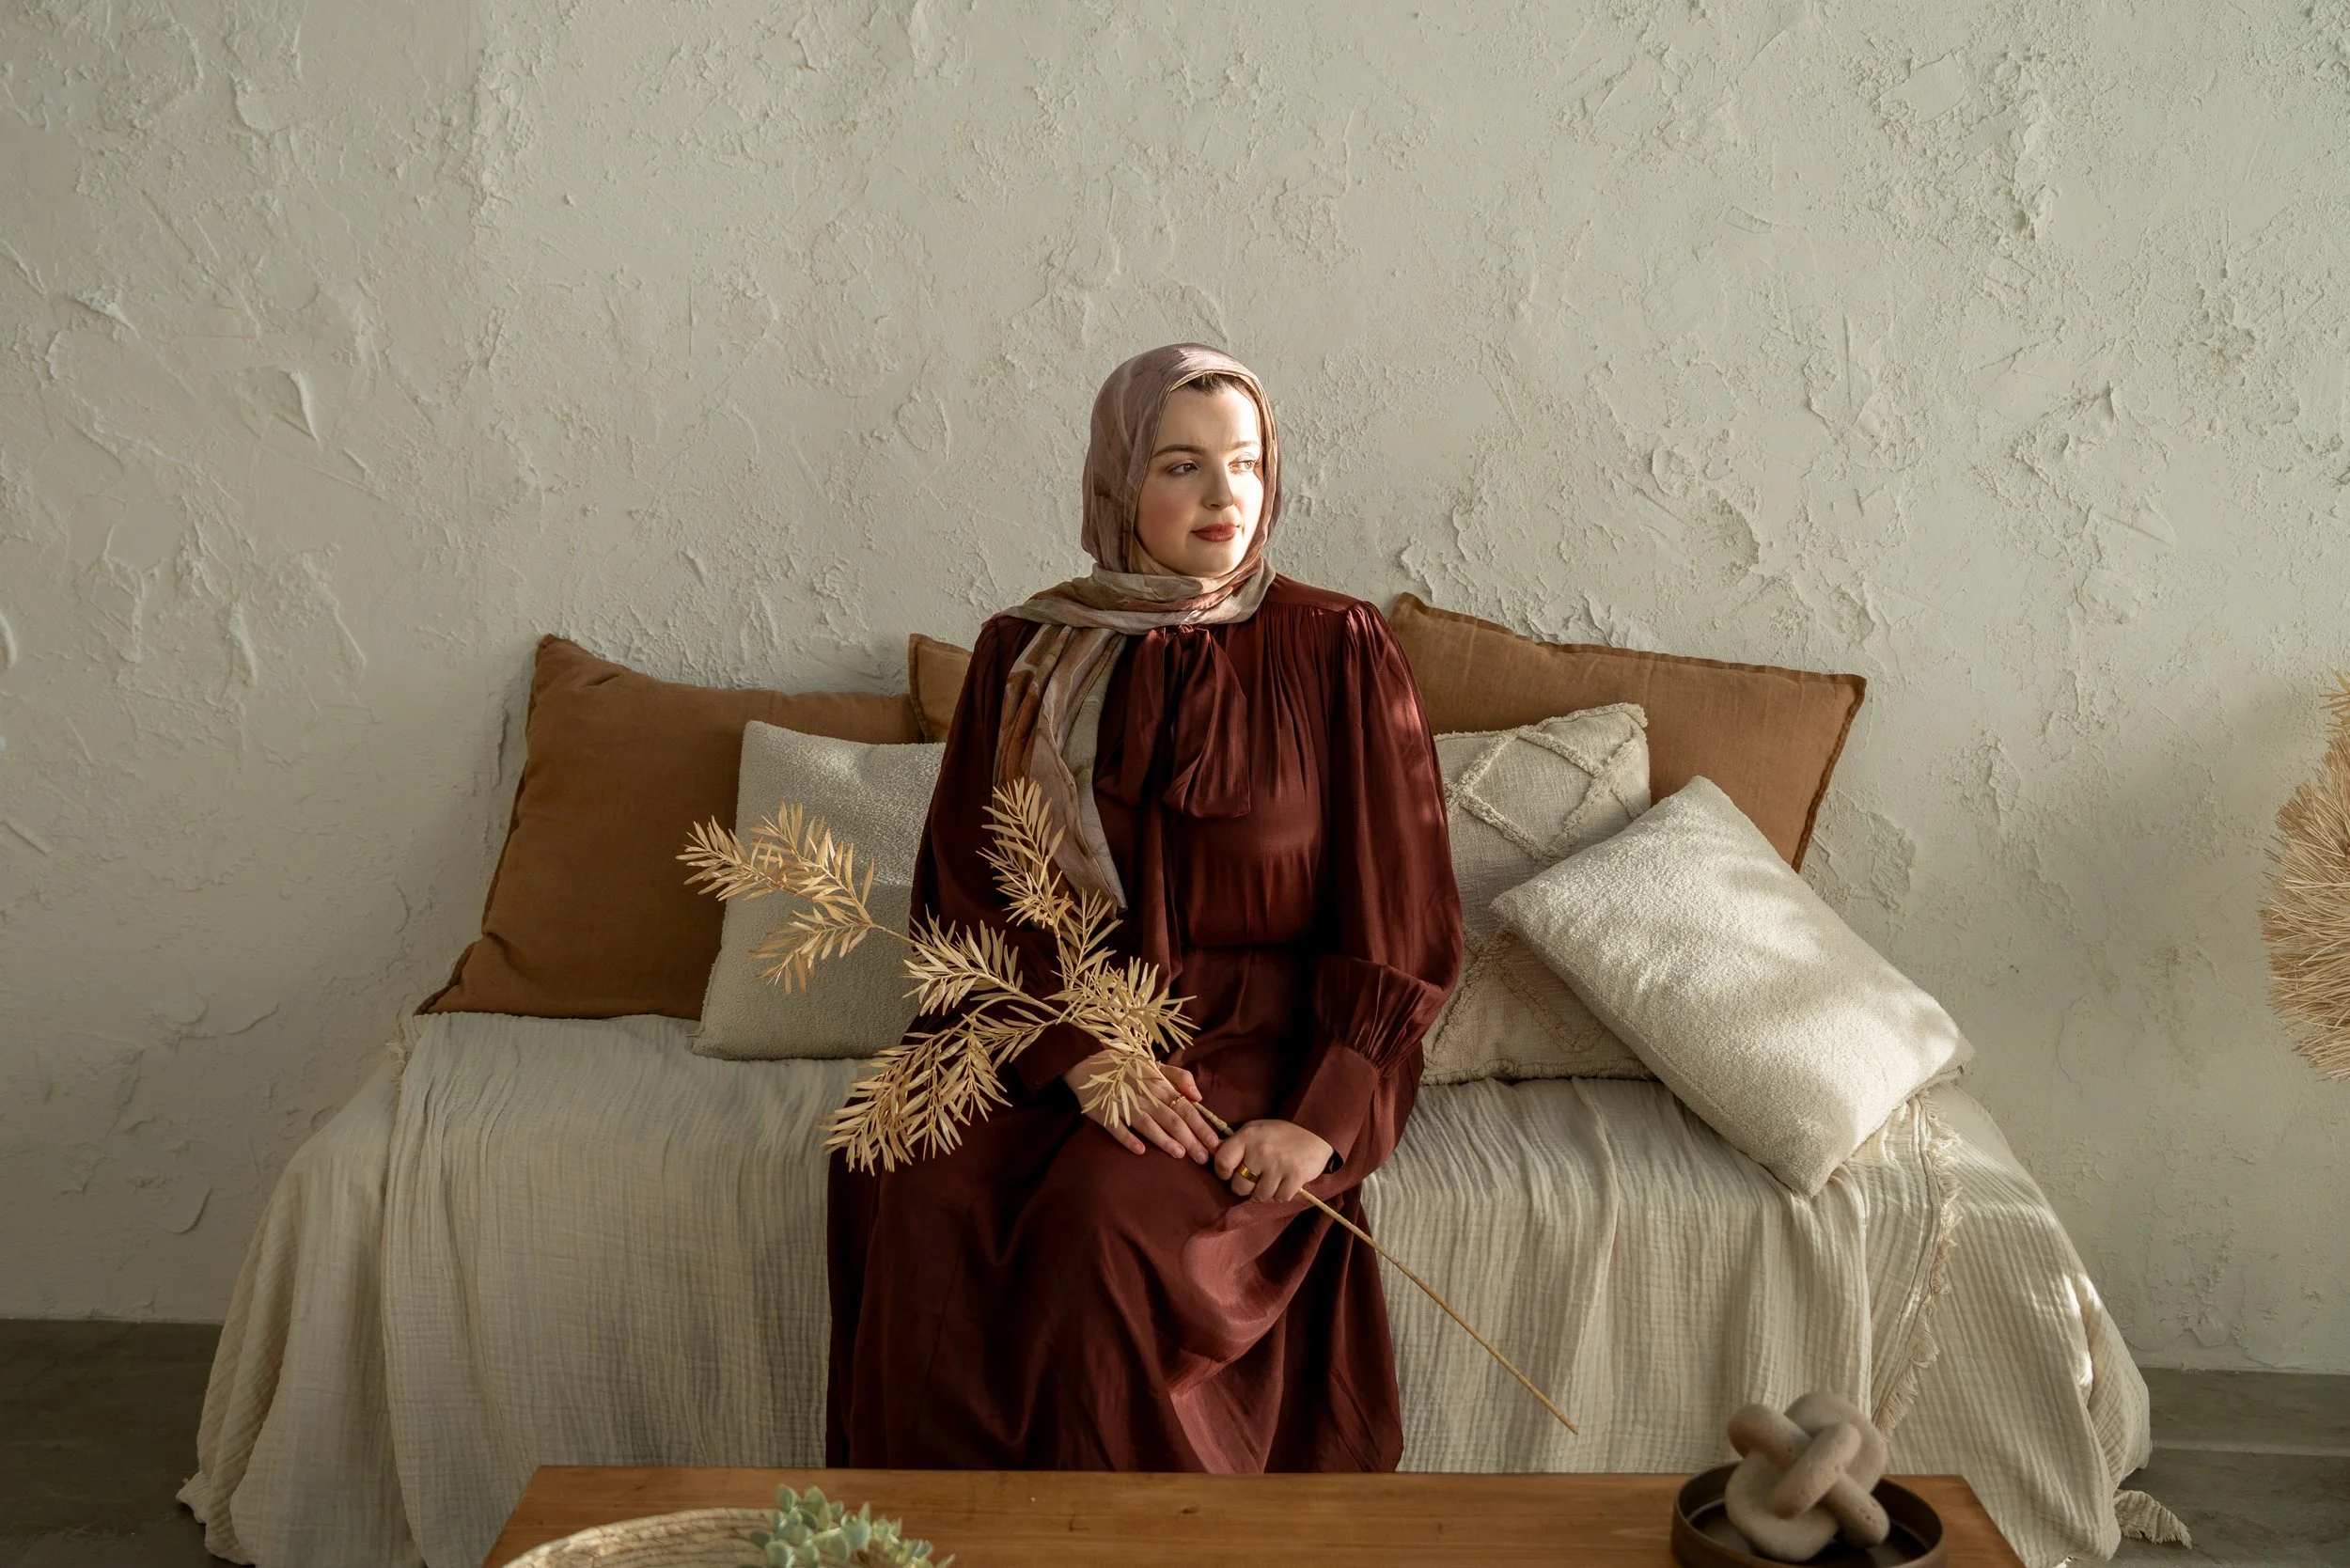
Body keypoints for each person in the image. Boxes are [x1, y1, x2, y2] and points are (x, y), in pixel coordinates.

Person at [825, 342, 1464, 1472]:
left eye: (1247, 464)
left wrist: (1320, 1116)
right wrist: (1073, 1050)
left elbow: (1400, 907)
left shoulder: (1335, 647)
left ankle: (1135, 1546)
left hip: (1255, 1041)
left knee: (1100, 1226)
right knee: (903, 1179)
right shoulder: (1024, 653)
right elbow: (969, 893)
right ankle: (931, 1546)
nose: (1225, 497)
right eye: (1182, 465)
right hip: (1048, 1028)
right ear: (1119, 486)